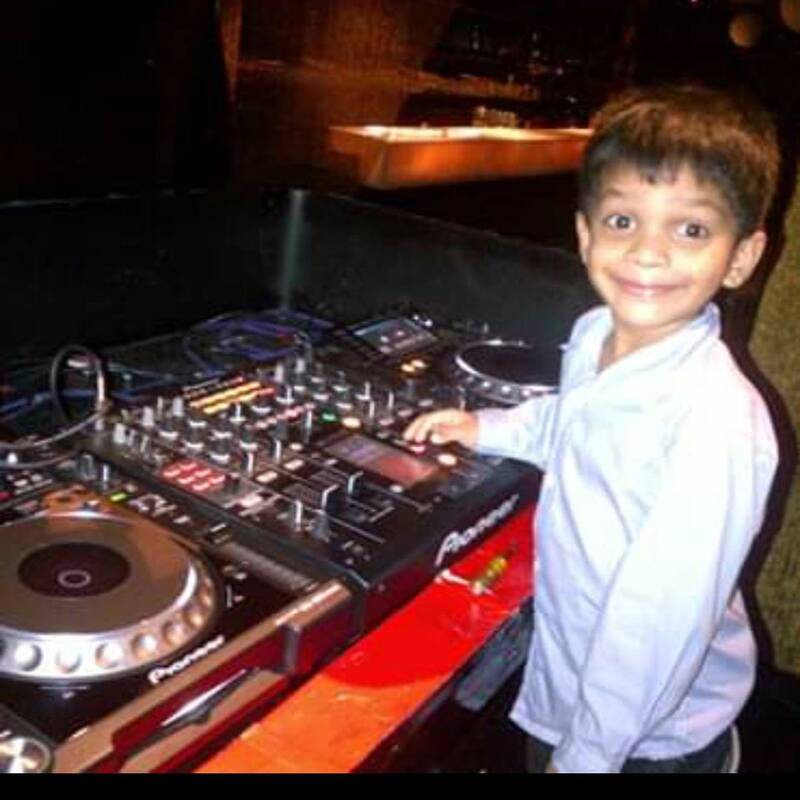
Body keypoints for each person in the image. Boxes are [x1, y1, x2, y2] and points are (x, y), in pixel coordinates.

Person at [404, 84, 782, 773]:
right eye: (623, 220)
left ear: (741, 257)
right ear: (585, 235)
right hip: (571, 685)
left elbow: (656, 623)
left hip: (644, 736)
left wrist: (588, 757)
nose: (647, 253)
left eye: (691, 230)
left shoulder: (716, 421)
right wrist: (487, 426)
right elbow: (571, 421)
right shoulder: (594, 333)